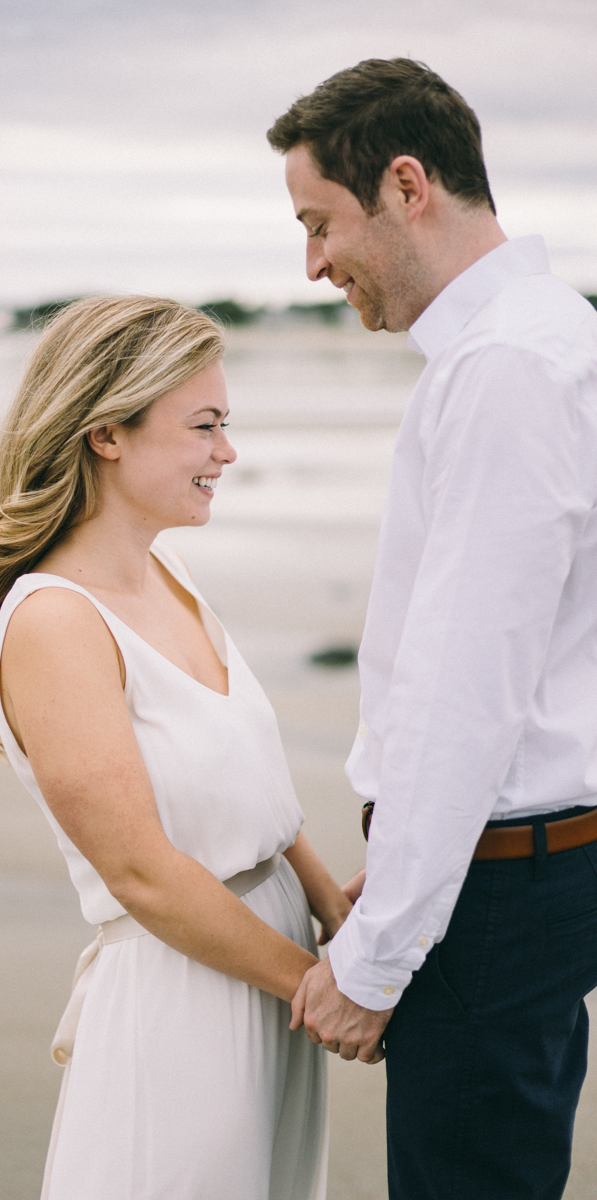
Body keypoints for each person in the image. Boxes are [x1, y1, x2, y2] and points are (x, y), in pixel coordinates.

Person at [268, 58, 597, 1200]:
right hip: (518, 867)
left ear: (406, 185)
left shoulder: (506, 367)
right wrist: (410, 860)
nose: (312, 262)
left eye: (319, 222)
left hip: (499, 893)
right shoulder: (550, 335)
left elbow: (470, 689)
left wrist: (378, 952)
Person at [0, 295, 360, 1200]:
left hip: (264, 972)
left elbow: (257, 789)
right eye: (205, 426)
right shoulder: (56, 621)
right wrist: (317, 989)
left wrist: (335, 910)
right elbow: (138, 870)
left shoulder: (165, 574)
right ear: (107, 433)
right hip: (188, 1000)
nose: (228, 453)